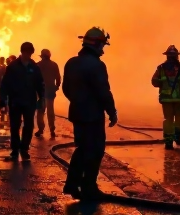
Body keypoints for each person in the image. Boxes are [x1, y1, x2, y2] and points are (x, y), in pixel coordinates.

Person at [63, 27, 118, 200]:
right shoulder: (97, 65)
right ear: (95, 44)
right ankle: (89, 187)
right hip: (93, 115)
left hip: (77, 113)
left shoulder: (71, 63)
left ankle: (72, 185)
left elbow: (66, 89)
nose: (103, 49)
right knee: (95, 150)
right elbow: (103, 91)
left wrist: (77, 101)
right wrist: (112, 111)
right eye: (102, 45)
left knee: (82, 149)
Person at [0, 42, 44, 160]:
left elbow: (39, 83)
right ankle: (15, 149)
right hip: (15, 101)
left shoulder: (34, 67)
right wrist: (2, 99)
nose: (28, 55)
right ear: (22, 52)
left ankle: (24, 148)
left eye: (30, 53)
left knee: (29, 125)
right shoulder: (13, 66)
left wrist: (42, 98)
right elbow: (5, 83)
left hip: (29, 101)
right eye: (26, 52)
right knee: (15, 125)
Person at [151, 45, 180, 149]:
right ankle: (175, 137)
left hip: (167, 99)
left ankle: (169, 141)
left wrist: (162, 83)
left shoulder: (161, 68)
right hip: (177, 100)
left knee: (169, 120)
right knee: (178, 119)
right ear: (177, 56)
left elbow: (154, 81)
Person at [35, 49, 62, 139]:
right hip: (50, 90)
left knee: (40, 111)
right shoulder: (54, 65)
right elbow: (58, 77)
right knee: (50, 111)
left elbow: (33, 78)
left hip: (40, 91)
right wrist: (56, 86)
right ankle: (52, 129)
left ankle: (41, 129)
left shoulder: (38, 65)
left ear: (42, 56)